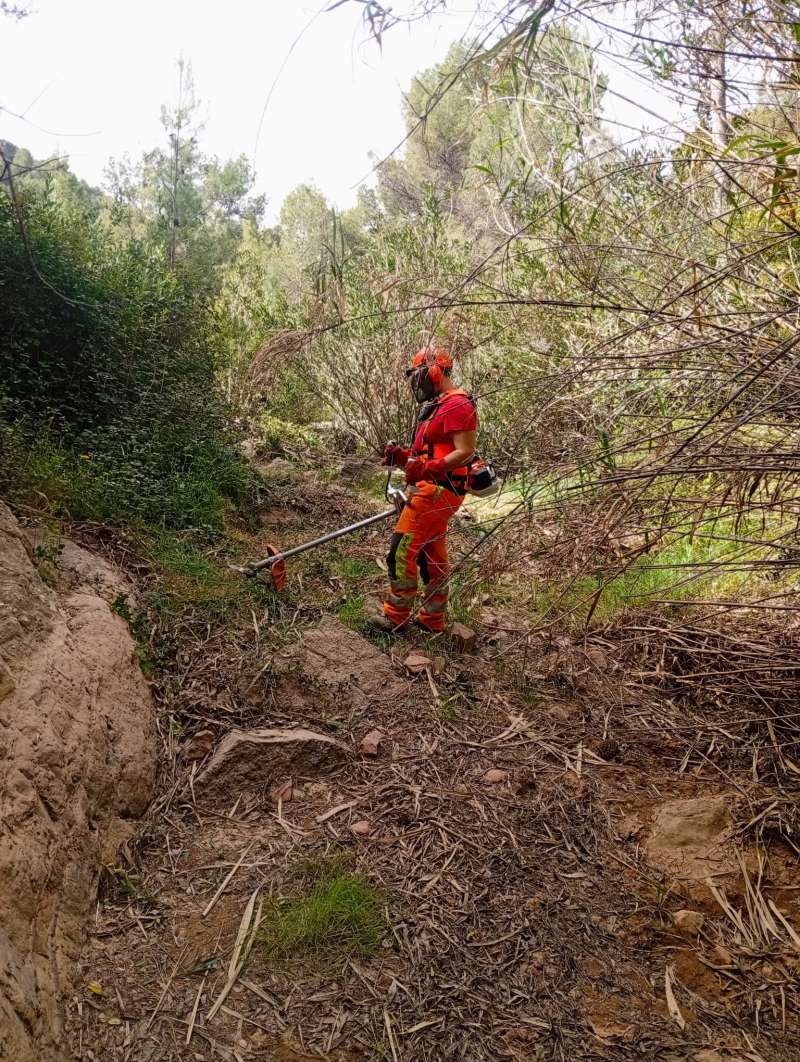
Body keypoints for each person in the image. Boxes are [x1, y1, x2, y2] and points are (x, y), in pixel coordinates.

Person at [373, 346, 477, 633]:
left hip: (439, 489)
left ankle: (395, 616)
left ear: (435, 371)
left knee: (401, 550)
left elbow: (465, 453)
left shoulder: (458, 404)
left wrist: (426, 470)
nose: (416, 384)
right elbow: (429, 453)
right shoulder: (438, 406)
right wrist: (403, 457)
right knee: (431, 555)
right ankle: (432, 619)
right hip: (432, 487)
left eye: (419, 375)